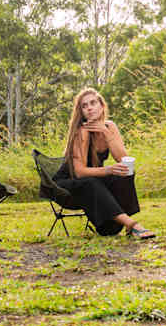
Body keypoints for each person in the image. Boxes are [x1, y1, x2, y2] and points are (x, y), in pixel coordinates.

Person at [55, 87, 155, 239]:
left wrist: (106, 132)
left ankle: (117, 219)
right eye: (84, 105)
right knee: (91, 182)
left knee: (125, 172)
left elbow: (123, 159)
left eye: (93, 103)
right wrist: (109, 170)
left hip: (92, 182)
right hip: (67, 183)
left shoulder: (110, 126)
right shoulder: (82, 132)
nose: (89, 107)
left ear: (102, 106)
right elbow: (79, 172)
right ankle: (132, 225)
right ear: (81, 112)